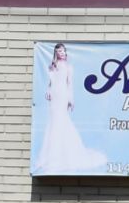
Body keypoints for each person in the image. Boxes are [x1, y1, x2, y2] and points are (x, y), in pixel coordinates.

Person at [32, 43, 106, 175]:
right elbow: (50, 82)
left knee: (62, 120)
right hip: (54, 96)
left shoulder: (68, 67)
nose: (61, 53)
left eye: (62, 50)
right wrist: (48, 91)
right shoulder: (52, 66)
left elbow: (69, 83)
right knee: (53, 121)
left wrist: (71, 99)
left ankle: (65, 153)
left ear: (65, 52)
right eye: (58, 51)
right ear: (56, 53)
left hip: (63, 95)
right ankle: (51, 154)